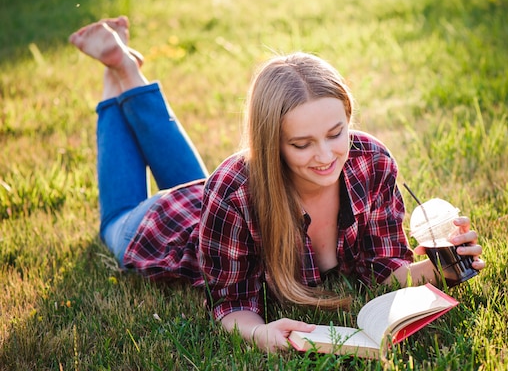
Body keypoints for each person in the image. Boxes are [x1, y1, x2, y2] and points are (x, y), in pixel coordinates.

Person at [69, 17, 486, 353]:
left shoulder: (369, 162)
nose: (326, 156)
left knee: (204, 181)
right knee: (115, 220)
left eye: (335, 132)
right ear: (270, 145)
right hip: (165, 225)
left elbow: (383, 267)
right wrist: (259, 333)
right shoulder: (235, 192)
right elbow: (232, 306)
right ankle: (117, 73)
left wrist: (442, 266)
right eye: (302, 144)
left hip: (209, 197)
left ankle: (125, 66)